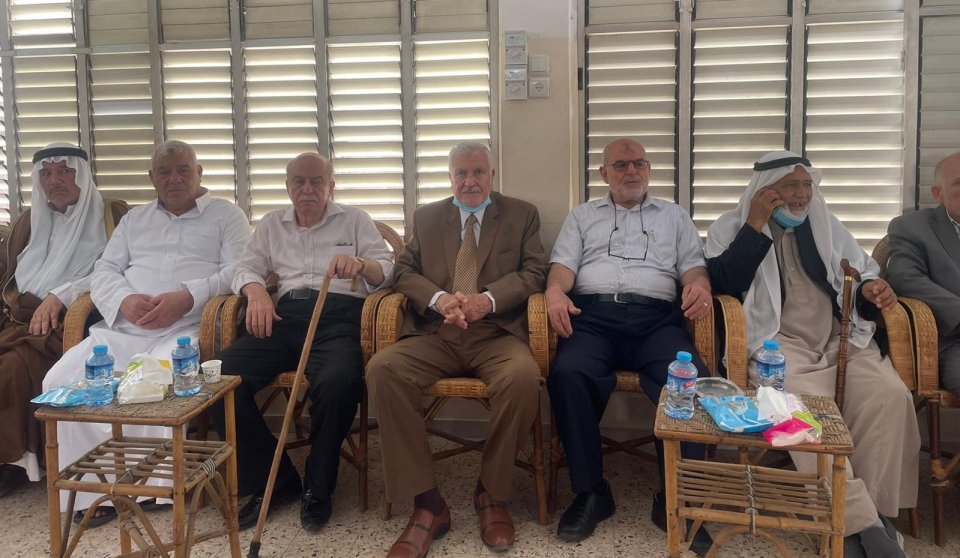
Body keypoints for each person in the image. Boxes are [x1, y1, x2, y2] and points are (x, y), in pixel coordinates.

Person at [705, 150, 918, 557]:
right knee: (798, 411)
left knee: (889, 396)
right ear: (764, 190)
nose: (801, 194)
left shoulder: (826, 224)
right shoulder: (731, 228)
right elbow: (724, 284)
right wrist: (755, 225)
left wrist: (872, 290)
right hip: (777, 345)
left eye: (807, 185)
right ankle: (856, 524)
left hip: (840, 341)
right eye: (791, 185)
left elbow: (862, 274)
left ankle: (871, 514)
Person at [41, 140, 251, 526]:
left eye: (183, 170)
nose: (175, 179)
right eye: (165, 172)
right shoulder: (134, 219)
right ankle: (92, 491)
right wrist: (124, 301)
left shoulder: (226, 215)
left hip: (184, 330)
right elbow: (105, 270)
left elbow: (237, 270)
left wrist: (187, 297)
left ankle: (151, 488)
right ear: (152, 178)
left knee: (155, 384)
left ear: (199, 172)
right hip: (122, 328)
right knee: (60, 381)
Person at [365, 142, 547, 557]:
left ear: (492, 175)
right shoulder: (427, 217)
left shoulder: (522, 214)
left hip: (496, 334)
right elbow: (403, 272)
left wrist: (488, 300)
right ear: (450, 178)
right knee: (383, 369)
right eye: (461, 173)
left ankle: (491, 493)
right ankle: (428, 503)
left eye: (478, 172)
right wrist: (438, 299)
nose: (470, 181)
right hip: (436, 333)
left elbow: (536, 271)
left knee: (523, 378)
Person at [209, 153, 393, 532]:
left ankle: (318, 483)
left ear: (331, 186)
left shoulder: (355, 220)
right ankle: (274, 479)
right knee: (216, 380)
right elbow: (245, 267)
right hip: (283, 318)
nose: (307, 189)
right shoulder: (271, 224)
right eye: (299, 181)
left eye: (316, 181)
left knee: (339, 382)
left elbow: (388, 270)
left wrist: (361, 264)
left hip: (337, 319)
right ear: (288, 186)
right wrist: (256, 291)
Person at [545, 137, 713, 551]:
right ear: (604, 174)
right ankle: (590, 493)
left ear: (649, 169)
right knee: (568, 374)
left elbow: (694, 267)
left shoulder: (674, 216)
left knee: (691, 381)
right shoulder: (582, 216)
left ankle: (676, 497)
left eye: (639, 163)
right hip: (593, 319)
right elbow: (563, 268)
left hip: (656, 321)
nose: (632, 171)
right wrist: (554, 293)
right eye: (621, 165)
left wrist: (700, 286)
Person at [0, 144, 122, 497]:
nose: (56, 181)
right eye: (47, 174)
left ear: (81, 174)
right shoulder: (29, 221)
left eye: (64, 171)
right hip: (20, 320)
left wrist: (61, 295)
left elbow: (116, 271)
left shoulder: (111, 215)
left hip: (68, 324)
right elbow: (11, 276)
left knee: (11, 369)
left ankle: (14, 462)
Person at [887, 151, 960, 398]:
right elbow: (904, 278)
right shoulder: (913, 227)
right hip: (954, 339)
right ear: (938, 193)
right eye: (959, 182)